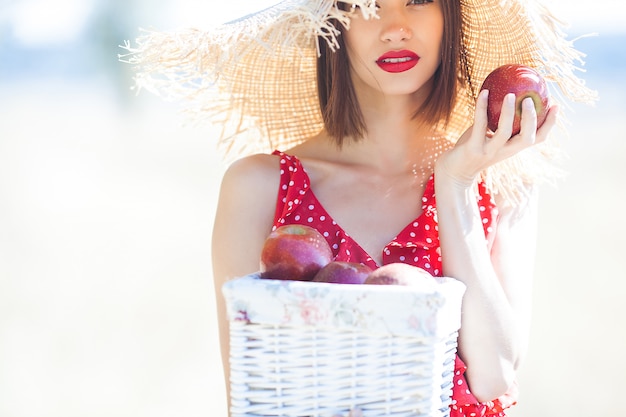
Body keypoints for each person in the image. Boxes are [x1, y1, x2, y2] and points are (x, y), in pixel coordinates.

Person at [123, 0, 596, 415]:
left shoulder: (500, 186)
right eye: (365, 2)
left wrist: (453, 185)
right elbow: (250, 399)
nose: (394, 26)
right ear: (334, 21)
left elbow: (494, 376)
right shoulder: (261, 188)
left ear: (449, 17)